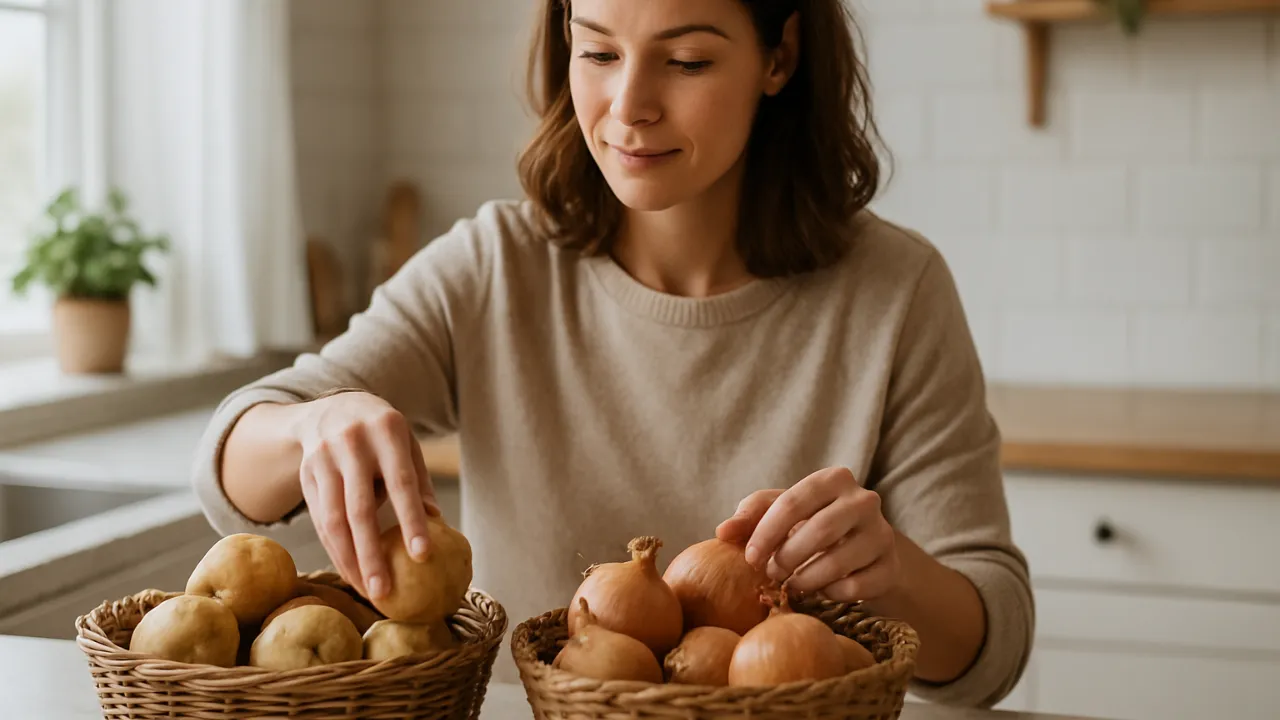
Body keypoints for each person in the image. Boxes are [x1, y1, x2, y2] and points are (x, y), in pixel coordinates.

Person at [191, 0, 1033, 705]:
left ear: (779, 57)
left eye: (688, 62)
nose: (628, 105)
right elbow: (231, 471)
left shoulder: (896, 291)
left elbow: (990, 652)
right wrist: (313, 426)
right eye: (596, 50)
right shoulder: (495, 267)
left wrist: (893, 576)